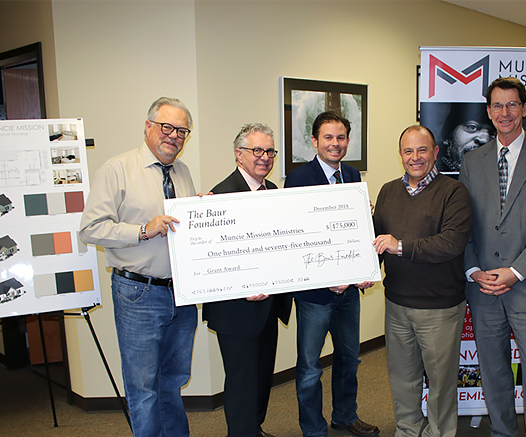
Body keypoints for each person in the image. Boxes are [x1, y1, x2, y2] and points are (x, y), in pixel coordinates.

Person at [79, 97, 198, 437]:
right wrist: (143, 230)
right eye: (167, 128)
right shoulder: (117, 169)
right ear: (148, 127)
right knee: (143, 387)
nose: (174, 136)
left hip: (181, 293)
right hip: (138, 294)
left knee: (173, 380)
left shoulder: (183, 172)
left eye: (182, 131)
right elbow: (90, 229)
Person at [459, 76, 526, 437]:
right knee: (492, 371)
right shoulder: (472, 162)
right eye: (497, 105)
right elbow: (464, 225)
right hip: (484, 288)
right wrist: (475, 270)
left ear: (524, 108)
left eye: (511, 104)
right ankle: (502, 432)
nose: (504, 112)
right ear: (488, 112)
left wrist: (516, 271)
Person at [373, 125, 473, 437]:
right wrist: (362, 271)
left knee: (441, 382)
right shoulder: (388, 191)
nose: (415, 157)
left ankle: (440, 433)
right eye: (408, 151)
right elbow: (375, 241)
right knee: (403, 377)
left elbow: (450, 244)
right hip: (397, 304)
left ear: (435, 153)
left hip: (439, 308)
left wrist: (399, 245)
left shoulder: (454, 193)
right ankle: (407, 430)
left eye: (422, 150)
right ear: (400, 155)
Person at [284, 111, 378, 437]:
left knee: (349, 359)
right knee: (310, 368)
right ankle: (313, 429)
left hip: (349, 292)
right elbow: (295, 239)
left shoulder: (353, 176)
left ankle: (345, 416)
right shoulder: (297, 179)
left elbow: (358, 233)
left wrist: (366, 268)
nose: (335, 144)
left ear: (348, 141)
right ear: (314, 141)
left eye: (340, 138)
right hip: (315, 296)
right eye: (328, 137)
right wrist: (325, 279)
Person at [202, 123, 292, 437]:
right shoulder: (219, 197)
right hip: (236, 310)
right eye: (257, 150)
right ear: (239, 154)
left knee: (261, 375)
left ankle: (253, 427)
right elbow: (214, 257)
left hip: (269, 306)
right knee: (241, 380)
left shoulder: (275, 193)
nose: (265, 157)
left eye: (270, 151)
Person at [436, 103, 494, 174]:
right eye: (472, 127)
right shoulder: (431, 171)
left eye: (493, 134)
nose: (485, 140)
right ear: (447, 136)